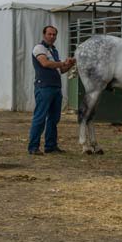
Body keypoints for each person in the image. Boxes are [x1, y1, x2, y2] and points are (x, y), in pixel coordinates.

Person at [27, 25, 75, 155]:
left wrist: (70, 64)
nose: (52, 37)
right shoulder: (39, 48)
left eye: (54, 35)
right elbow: (45, 63)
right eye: (49, 34)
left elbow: (61, 70)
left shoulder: (53, 50)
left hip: (55, 87)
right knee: (40, 117)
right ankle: (33, 147)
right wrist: (63, 63)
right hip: (44, 87)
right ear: (44, 35)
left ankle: (50, 146)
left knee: (54, 118)